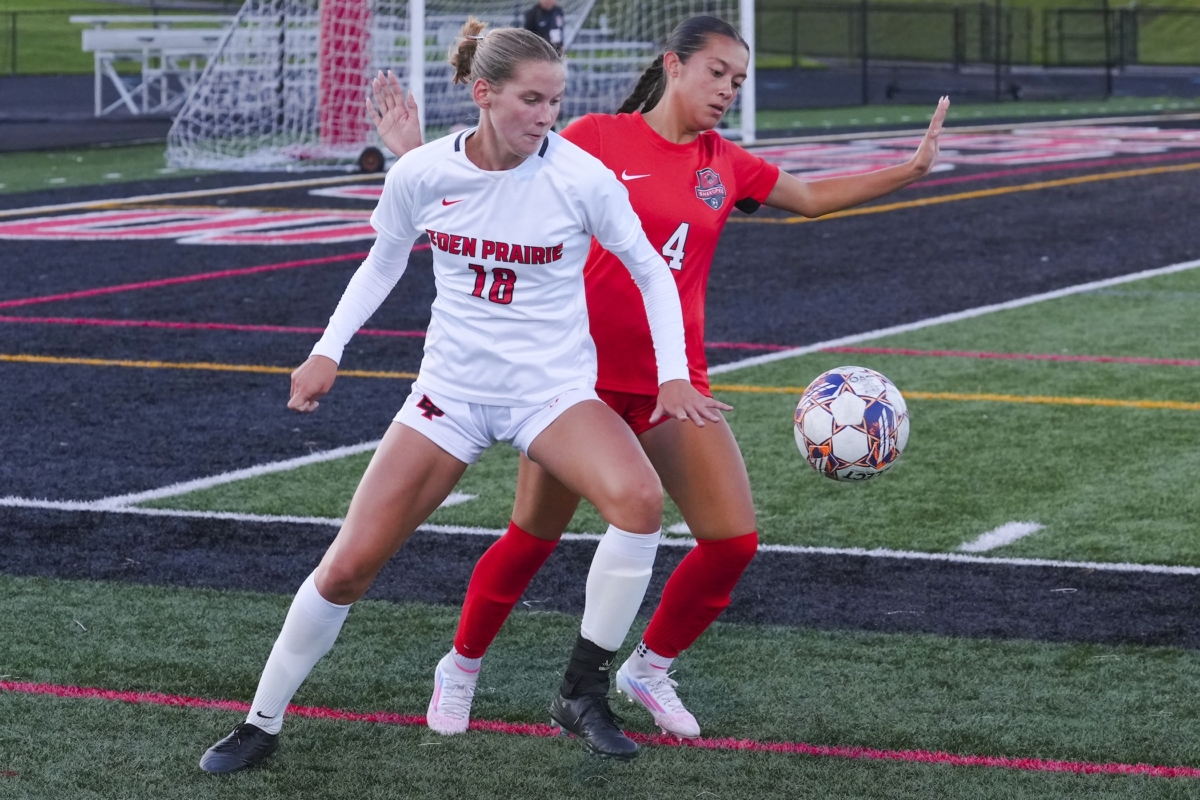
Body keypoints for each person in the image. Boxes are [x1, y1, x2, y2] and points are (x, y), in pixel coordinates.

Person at [373, 16, 949, 755]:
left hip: (674, 384)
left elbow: (807, 197)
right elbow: (491, 182)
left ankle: (647, 669)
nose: (727, 90)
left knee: (732, 541)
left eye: (738, 81)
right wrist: (412, 155)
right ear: (672, 66)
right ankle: (459, 666)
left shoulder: (725, 164)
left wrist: (910, 169)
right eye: (716, 73)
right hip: (571, 382)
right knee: (531, 538)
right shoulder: (594, 137)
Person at [198, 18, 725, 774]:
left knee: (639, 502)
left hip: (549, 393)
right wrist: (326, 351)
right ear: (483, 94)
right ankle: (260, 722)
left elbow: (649, 271)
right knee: (348, 566)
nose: (546, 117)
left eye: (555, 102)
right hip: (450, 394)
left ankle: (582, 689)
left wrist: (673, 370)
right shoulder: (421, 172)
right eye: (531, 100)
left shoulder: (580, 177)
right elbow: (380, 266)